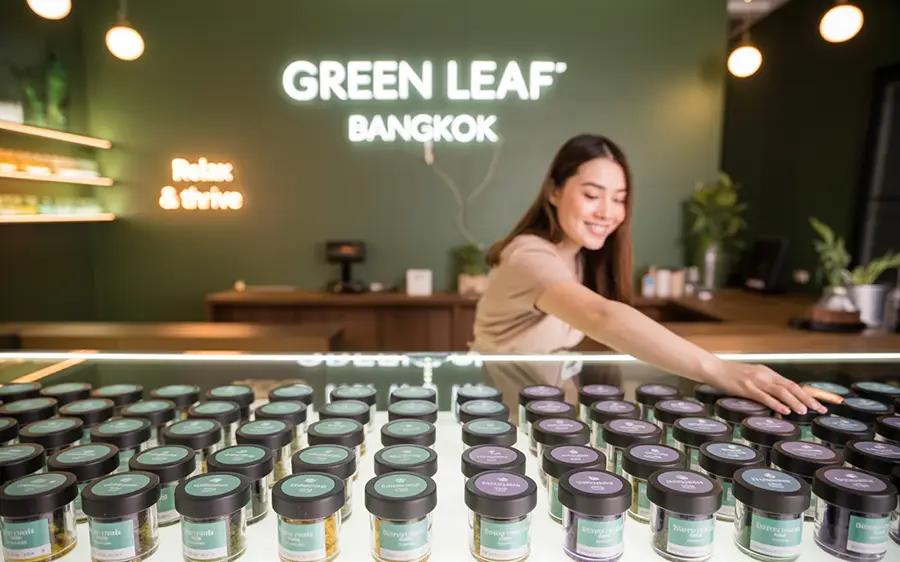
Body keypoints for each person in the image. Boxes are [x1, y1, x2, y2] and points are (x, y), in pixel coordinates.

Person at [471, 133, 826, 419]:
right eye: (592, 195)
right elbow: (601, 315)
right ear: (554, 191)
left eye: (619, 199)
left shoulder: (581, 259)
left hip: (549, 411)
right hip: (504, 421)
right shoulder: (528, 255)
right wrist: (721, 370)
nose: (607, 212)